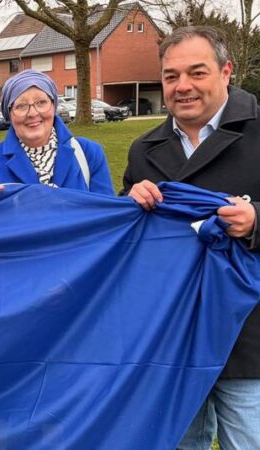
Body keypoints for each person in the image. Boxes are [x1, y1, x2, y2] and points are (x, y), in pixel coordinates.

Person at [121, 26, 260, 450]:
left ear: (226, 71)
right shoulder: (145, 149)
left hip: (248, 336)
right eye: (170, 76)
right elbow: (129, 243)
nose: (183, 87)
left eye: (197, 73)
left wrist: (256, 222)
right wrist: (128, 202)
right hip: (174, 335)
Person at [0, 69, 114, 194]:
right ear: (9, 114)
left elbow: (106, 216)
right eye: (21, 106)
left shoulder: (89, 153)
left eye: (41, 102)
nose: (32, 113)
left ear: (53, 106)